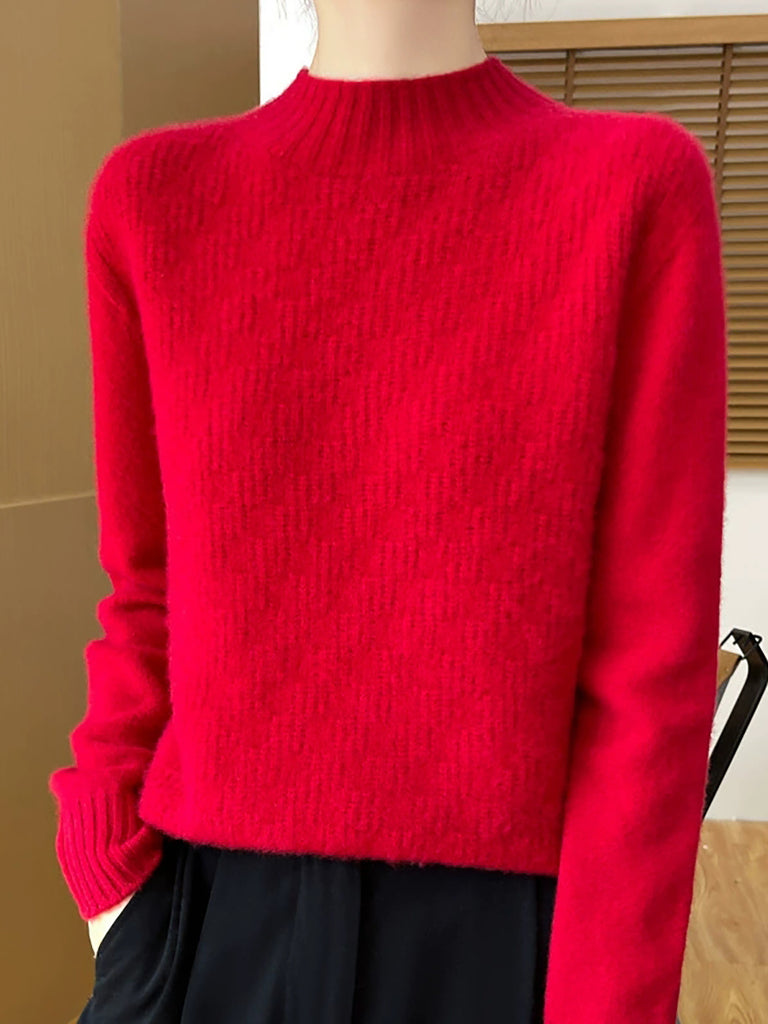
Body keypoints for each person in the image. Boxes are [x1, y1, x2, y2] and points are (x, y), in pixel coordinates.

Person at [48, 0, 728, 1021]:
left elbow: (650, 672)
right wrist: (106, 855)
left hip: (502, 937)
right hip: (205, 910)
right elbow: (146, 585)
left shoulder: (630, 187)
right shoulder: (155, 199)